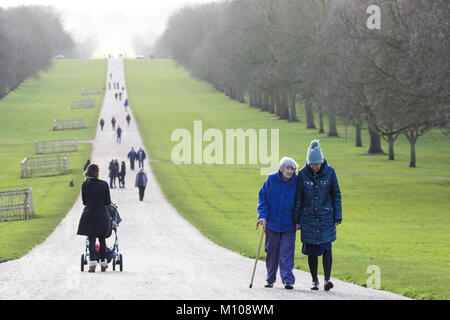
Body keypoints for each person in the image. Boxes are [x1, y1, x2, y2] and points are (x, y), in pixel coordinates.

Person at [293, 140, 342, 291]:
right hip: (307, 218)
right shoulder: (302, 174)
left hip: (325, 216)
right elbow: (299, 198)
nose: (315, 167)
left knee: (327, 247)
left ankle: (327, 279)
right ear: (308, 162)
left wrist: (337, 216)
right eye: (312, 164)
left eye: (317, 164)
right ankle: (315, 281)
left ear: (321, 161)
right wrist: (296, 220)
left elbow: (336, 194)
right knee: (311, 249)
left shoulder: (330, 172)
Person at [257, 157, 298, 289]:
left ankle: (287, 280)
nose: (290, 171)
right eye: (287, 168)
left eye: (292, 169)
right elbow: (262, 198)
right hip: (272, 223)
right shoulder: (271, 179)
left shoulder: (297, 182)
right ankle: (270, 279)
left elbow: (301, 202)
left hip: (289, 224)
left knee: (287, 252)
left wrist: (299, 220)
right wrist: (262, 216)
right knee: (271, 252)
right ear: (281, 168)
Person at [77, 164, 112, 272]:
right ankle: (103, 263)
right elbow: (108, 202)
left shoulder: (85, 185)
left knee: (91, 240)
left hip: (90, 215)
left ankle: (92, 264)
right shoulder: (104, 184)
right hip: (102, 215)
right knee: (102, 240)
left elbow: (84, 202)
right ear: (97, 172)